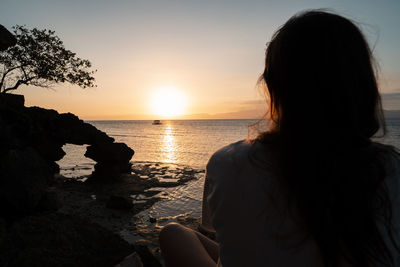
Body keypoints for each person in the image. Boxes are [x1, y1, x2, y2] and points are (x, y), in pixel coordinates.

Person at [159, 10, 400, 267]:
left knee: (172, 233)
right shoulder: (392, 168)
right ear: (363, 86)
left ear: (274, 87)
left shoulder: (227, 163)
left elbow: (222, 232)